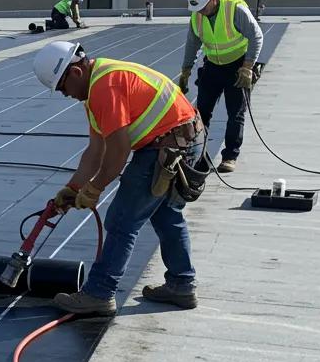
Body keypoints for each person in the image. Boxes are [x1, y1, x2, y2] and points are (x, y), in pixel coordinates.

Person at [33, 41, 207, 317]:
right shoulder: (97, 86)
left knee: (121, 220)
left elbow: (118, 150)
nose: (64, 95)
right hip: (185, 136)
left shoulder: (105, 88)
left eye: (62, 87)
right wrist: (73, 188)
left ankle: (99, 293)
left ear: (75, 73)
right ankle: (182, 285)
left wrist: (94, 189)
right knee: (166, 216)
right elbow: (95, 150)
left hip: (168, 144)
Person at [178, 0, 263, 173]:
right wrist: (186, 69)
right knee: (201, 114)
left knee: (236, 114)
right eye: (197, 8)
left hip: (238, 66)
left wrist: (248, 66)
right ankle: (198, 154)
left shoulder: (234, 9)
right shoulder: (197, 15)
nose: (201, 11)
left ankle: (230, 156)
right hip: (213, 67)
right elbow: (192, 43)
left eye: (203, 7)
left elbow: (256, 36)